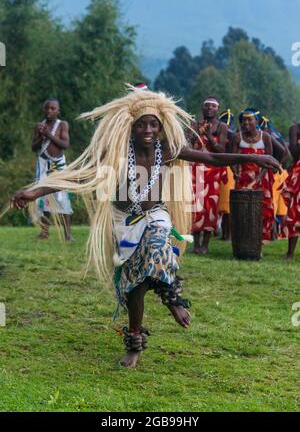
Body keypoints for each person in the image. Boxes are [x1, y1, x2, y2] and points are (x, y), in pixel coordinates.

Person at [11, 87, 280, 368]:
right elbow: (80, 177)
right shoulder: (117, 153)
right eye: (141, 124)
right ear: (132, 127)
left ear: (161, 127)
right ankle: (135, 341)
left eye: (153, 124)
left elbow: (211, 158)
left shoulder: (168, 150)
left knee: (158, 242)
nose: (147, 130)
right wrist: (35, 192)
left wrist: (255, 157)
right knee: (134, 287)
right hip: (124, 221)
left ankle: (171, 296)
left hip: (155, 215)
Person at [32, 99, 73, 241]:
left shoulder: (62, 125)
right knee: (43, 197)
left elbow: (65, 144)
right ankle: (44, 232)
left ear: (58, 111)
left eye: (53, 108)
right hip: (43, 164)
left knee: (62, 197)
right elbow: (33, 147)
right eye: (47, 108)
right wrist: (41, 138)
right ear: (44, 110)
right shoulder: (39, 126)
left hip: (58, 166)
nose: (49, 111)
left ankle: (68, 234)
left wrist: (49, 135)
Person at [191, 97, 228, 254]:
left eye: (213, 106)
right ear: (202, 108)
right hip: (196, 169)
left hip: (212, 171)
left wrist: (209, 136)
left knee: (210, 207)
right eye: (206, 106)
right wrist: (197, 134)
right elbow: (187, 144)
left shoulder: (221, 126)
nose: (209, 108)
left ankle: (205, 244)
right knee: (195, 205)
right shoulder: (193, 124)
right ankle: (196, 244)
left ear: (217, 109)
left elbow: (221, 150)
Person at [232, 109, 275, 241]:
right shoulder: (238, 137)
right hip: (243, 179)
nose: (246, 122)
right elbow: (232, 159)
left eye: (250, 119)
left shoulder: (265, 137)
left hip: (262, 178)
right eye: (244, 120)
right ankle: (244, 240)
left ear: (256, 121)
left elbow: (269, 160)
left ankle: (259, 240)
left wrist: (259, 178)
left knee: (261, 209)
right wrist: (235, 172)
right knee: (243, 210)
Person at [280, 123, 300, 258]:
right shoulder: (295, 128)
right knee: (295, 211)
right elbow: (295, 153)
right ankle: (290, 253)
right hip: (298, 175)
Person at [218, 109, 235, 240]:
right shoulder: (233, 133)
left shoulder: (229, 134)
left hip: (225, 168)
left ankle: (227, 235)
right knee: (225, 206)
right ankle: (225, 234)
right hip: (224, 168)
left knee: (226, 205)